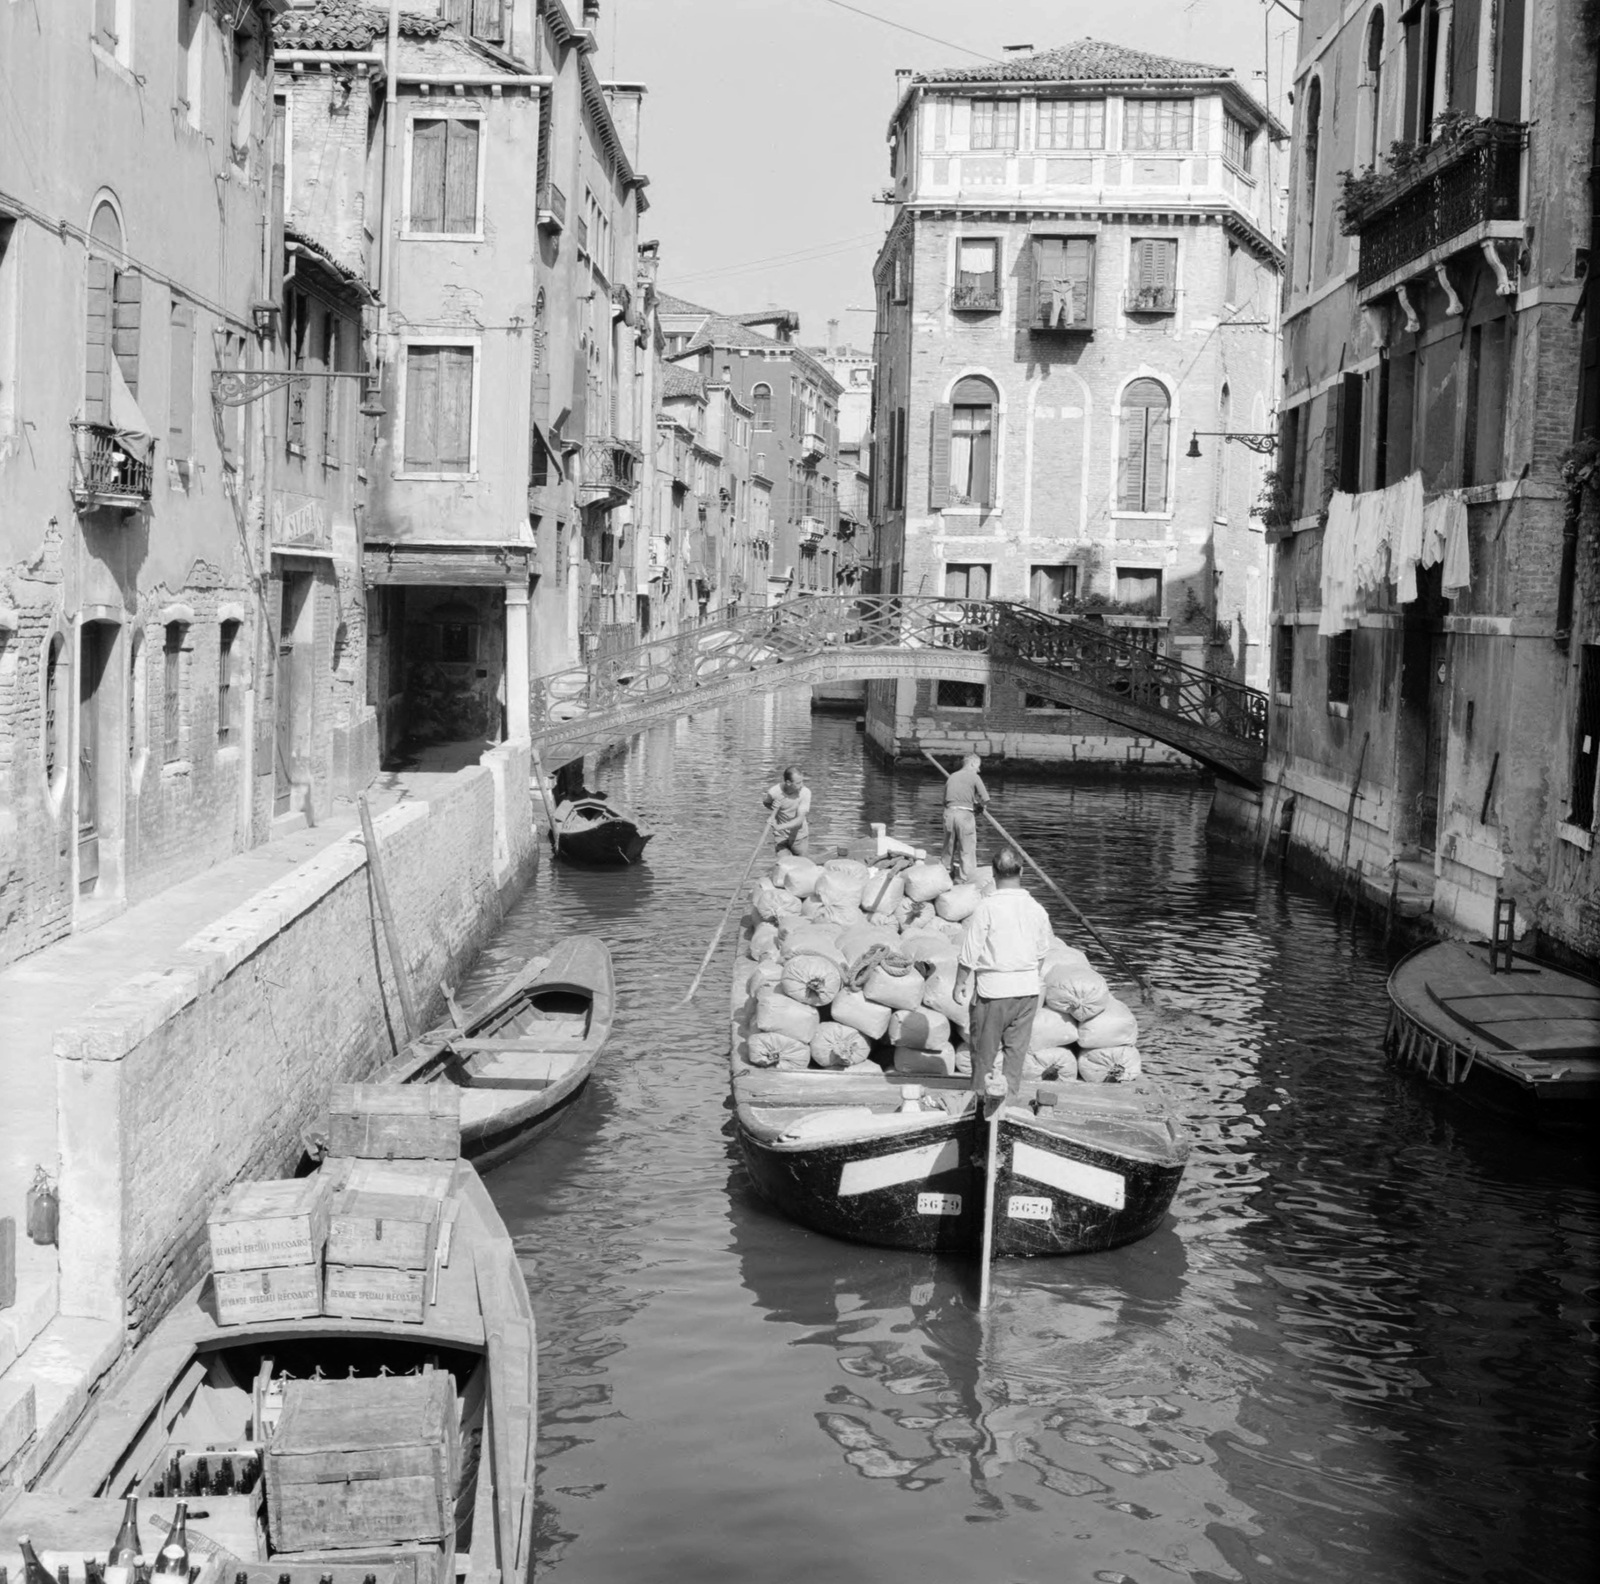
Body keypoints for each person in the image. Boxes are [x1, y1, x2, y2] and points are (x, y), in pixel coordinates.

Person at [953, 848, 1053, 1103]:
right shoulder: (1037, 909)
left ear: (994, 873)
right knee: (1016, 1053)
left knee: (984, 1053)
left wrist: (960, 983)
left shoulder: (987, 907)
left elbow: (969, 952)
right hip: (1027, 992)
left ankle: (980, 1104)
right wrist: (1027, 977)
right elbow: (1042, 953)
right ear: (1021, 871)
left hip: (993, 993)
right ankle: (1008, 1104)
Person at [941, 752, 988, 882]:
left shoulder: (952, 776)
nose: (978, 770)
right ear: (972, 763)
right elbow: (985, 798)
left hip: (949, 814)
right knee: (967, 849)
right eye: (977, 766)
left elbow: (945, 801)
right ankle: (966, 880)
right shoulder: (974, 777)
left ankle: (944, 875)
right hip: (965, 815)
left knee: (948, 847)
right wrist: (979, 806)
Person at [763, 765, 812, 856]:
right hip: (780, 837)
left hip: (799, 837)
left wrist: (779, 827)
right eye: (798, 783)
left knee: (802, 867)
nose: (802, 785)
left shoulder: (805, 793)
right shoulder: (774, 792)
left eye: (802, 781)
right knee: (783, 866)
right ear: (788, 783)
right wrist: (772, 806)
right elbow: (766, 803)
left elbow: (800, 820)